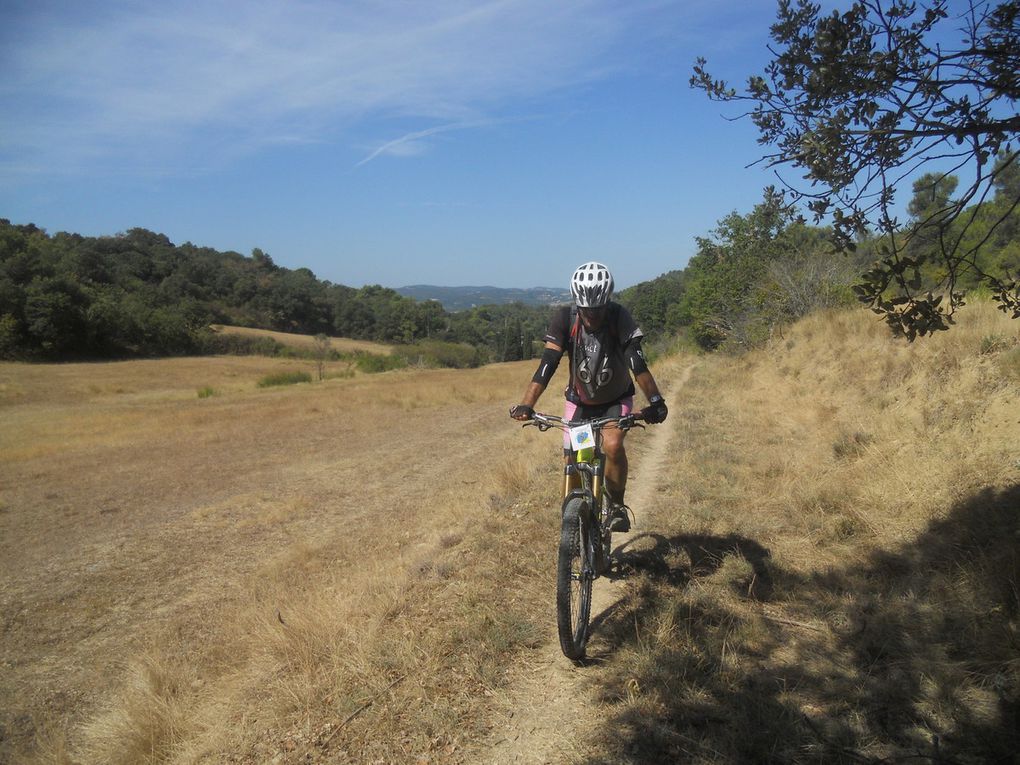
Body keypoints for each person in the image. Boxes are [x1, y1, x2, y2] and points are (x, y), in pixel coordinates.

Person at [510, 261, 668, 532]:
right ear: (577, 303)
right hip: (580, 402)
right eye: (586, 310)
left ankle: (617, 506)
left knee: (613, 445)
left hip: (615, 400)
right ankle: (574, 518)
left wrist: (655, 400)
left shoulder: (619, 317)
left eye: (598, 310)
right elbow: (547, 364)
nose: (592, 316)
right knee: (573, 455)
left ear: (607, 302)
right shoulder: (565, 318)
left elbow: (637, 363)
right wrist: (527, 404)